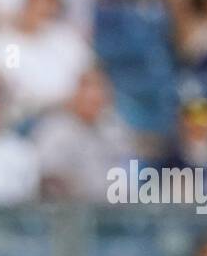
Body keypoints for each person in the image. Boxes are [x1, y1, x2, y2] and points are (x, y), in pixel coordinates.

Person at [0, 0, 92, 124]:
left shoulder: (65, 38)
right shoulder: (9, 43)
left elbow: (87, 75)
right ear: (25, 2)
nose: (45, 7)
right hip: (30, 119)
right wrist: (58, 101)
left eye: (51, 1)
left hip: (73, 115)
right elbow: (14, 84)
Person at [32, 67, 136, 201]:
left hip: (111, 209)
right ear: (76, 94)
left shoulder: (114, 129)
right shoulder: (54, 131)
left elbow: (128, 168)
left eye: (100, 91)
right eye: (88, 91)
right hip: (71, 211)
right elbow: (48, 181)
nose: (95, 98)